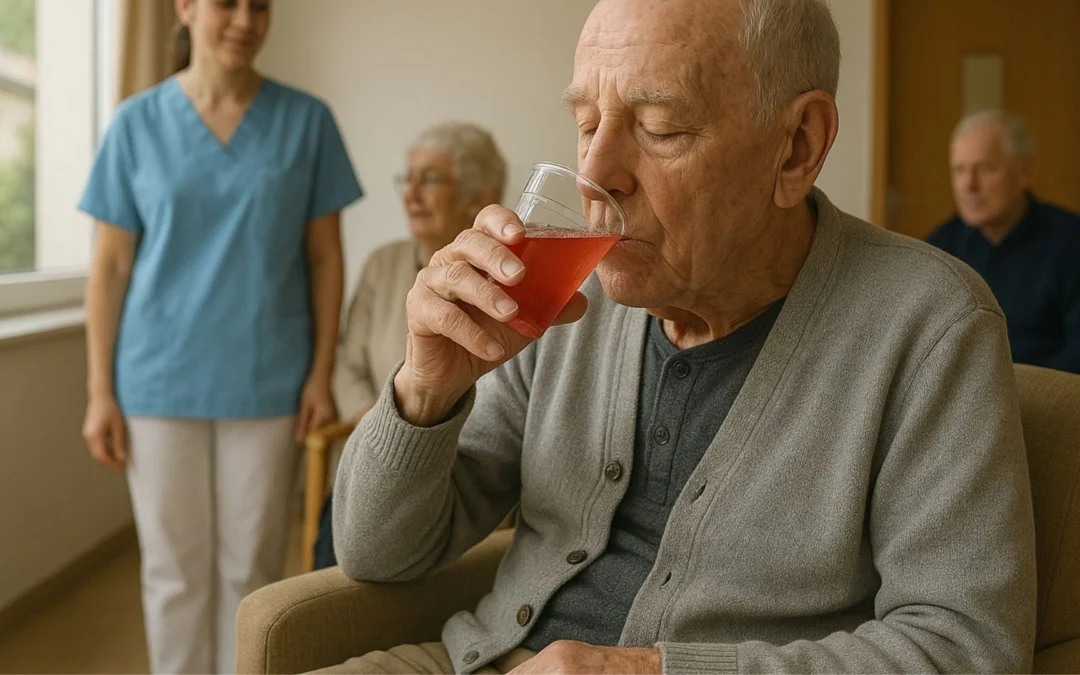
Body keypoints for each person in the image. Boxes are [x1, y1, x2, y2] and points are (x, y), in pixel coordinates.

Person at [328, 0, 1037, 673]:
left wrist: (647, 667)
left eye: (660, 128)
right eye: (585, 123)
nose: (595, 174)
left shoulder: (929, 325)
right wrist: (426, 389)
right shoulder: (565, 299)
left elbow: (967, 646)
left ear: (797, 147)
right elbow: (376, 552)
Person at [78, 0, 362, 672]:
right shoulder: (136, 123)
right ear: (184, 7)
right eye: (226, 3)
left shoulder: (307, 121)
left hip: (268, 381)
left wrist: (321, 372)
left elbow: (326, 258)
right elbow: (110, 265)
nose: (245, 19)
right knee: (173, 573)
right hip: (156, 381)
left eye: (260, 5)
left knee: (252, 572)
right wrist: (99, 391)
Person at [312, 122, 507, 570]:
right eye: (408, 178)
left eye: (431, 179)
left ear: (479, 195)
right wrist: (380, 419)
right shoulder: (384, 264)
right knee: (332, 565)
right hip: (371, 466)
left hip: (461, 479)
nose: (411, 193)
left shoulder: (506, 283)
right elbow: (348, 362)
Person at [926, 110, 1080, 374]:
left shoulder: (1071, 240)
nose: (969, 185)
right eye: (959, 170)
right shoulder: (939, 248)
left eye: (985, 168)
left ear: (1025, 172)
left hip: (1048, 396)